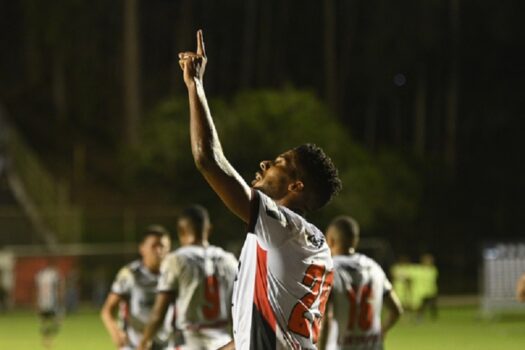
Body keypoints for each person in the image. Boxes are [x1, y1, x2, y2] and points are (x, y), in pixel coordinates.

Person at [177, 30, 342, 349]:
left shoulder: (281, 227)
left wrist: (194, 85)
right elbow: (255, 336)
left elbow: (207, 159)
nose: (266, 163)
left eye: (280, 162)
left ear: (296, 186)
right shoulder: (313, 246)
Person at [138, 205, 238, 350]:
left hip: (189, 341)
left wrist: (144, 342)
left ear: (181, 231)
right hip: (224, 341)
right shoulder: (230, 260)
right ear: (209, 229)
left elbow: (159, 313)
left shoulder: (177, 259)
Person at [320, 216, 403, 350]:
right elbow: (396, 309)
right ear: (355, 241)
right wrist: (382, 331)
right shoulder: (374, 267)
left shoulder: (330, 270)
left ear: (330, 240)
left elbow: (326, 319)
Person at [101, 225, 172, 350]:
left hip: (165, 345)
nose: (159, 250)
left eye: (163, 246)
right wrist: (116, 333)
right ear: (142, 249)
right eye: (154, 246)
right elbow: (107, 310)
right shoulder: (130, 274)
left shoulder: (173, 275)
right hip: (134, 346)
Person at [35, 258, 64, 349]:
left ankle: (46, 339)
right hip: (52, 302)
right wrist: (60, 298)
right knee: (58, 320)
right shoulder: (54, 274)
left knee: (44, 322)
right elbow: (58, 287)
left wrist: (36, 302)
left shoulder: (40, 275)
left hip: (42, 302)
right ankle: (49, 338)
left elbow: (36, 289)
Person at [416, 253, 438, 321]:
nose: (428, 262)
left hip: (431, 290)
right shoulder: (418, 269)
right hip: (422, 291)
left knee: (433, 305)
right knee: (421, 306)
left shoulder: (433, 270)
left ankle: (433, 317)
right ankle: (419, 317)